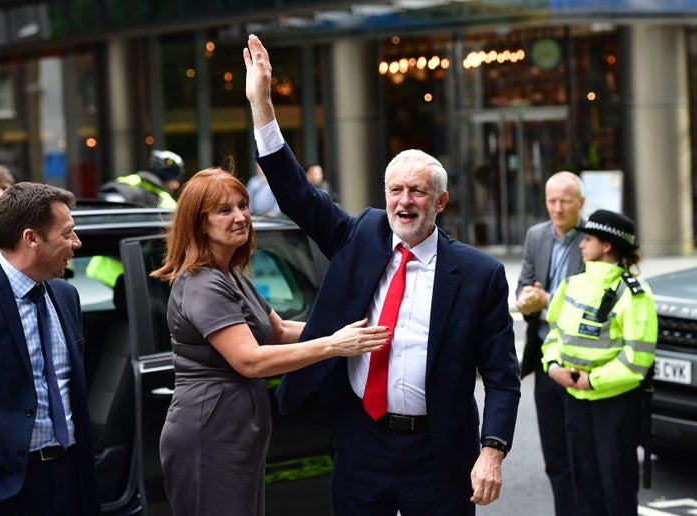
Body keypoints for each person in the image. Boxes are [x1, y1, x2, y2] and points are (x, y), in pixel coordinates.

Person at [244, 34, 521, 515]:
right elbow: (297, 197)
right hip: (361, 441)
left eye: (417, 191)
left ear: (440, 202)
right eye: (396, 189)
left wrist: (491, 452)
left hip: (439, 454)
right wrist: (262, 104)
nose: (404, 201)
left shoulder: (480, 275)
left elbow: (502, 378)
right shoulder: (362, 235)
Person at [150, 164, 389, 516]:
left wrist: (360, 330)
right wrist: (335, 345)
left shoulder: (229, 273)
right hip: (209, 434)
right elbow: (250, 360)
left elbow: (278, 331)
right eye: (224, 210)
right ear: (200, 223)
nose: (240, 217)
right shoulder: (204, 283)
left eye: (243, 206)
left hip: (236, 429)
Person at [0, 182, 100, 514]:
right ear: (31, 238)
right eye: (67, 233)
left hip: (68, 475)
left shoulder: (65, 295)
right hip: (1, 488)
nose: (77, 243)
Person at [541, 209, 657, 515]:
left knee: (617, 490)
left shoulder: (634, 294)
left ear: (607, 246)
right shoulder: (571, 285)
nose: (580, 244)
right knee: (584, 488)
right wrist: (553, 367)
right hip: (575, 400)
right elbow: (554, 334)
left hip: (614, 404)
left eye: (588, 239)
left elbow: (637, 358)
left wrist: (592, 380)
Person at [514, 170, 585, 516]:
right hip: (544, 358)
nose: (556, 209)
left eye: (564, 201)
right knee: (556, 459)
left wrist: (547, 302)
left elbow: (592, 303)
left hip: (580, 362)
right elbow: (524, 285)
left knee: (582, 458)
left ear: (580, 203)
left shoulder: (592, 240)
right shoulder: (536, 236)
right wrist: (527, 297)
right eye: (551, 201)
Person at [99, 149, 184, 208]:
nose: (176, 185)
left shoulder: (130, 180)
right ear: (167, 177)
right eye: (175, 179)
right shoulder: (166, 202)